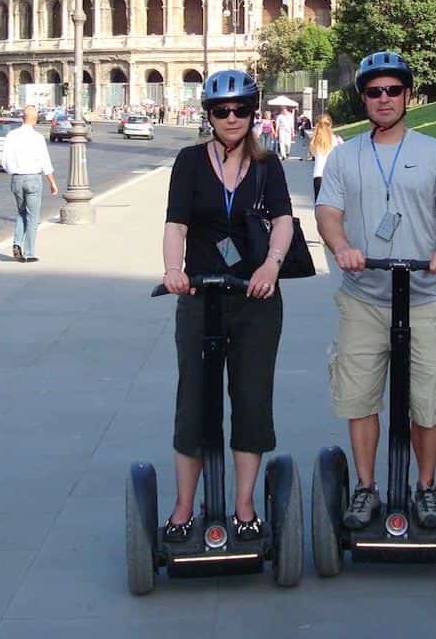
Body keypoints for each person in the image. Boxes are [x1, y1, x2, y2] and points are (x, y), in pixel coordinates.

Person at [314, 50, 436, 531]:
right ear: (363, 98)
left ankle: (425, 487)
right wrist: (341, 247)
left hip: (421, 294)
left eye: (393, 91)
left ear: (408, 96)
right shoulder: (345, 156)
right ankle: (365, 487)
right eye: (374, 91)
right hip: (363, 295)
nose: (383, 99)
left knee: (427, 399)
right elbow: (327, 213)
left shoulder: (435, 153)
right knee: (359, 397)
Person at [162, 69, 294, 543]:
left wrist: (270, 267)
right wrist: (173, 269)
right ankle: (182, 506)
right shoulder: (189, 162)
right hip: (200, 296)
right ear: (209, 115)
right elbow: (176, 224)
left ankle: (243, 504)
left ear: (252, 113)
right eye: (222, 111)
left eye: (241, 110)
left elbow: (283, 221)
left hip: (255, 299)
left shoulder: (267, 165)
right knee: (194, 401)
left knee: (252, 399)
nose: (232, 118)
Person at [1, 104, 59, 263]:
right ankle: (28, 252)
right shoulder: (38, 138)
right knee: (33, 217)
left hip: (17, 178)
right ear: (35, 120)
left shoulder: (11, 135)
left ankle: (16, 243)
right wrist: (52, 183)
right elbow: (45, 163)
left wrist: (14, 172)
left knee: (21, 212)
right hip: (33, 178)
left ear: (22, 118)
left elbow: (5, 162)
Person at [309, 114, 343, 200]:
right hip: (334, 177)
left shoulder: (315, 141)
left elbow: (312, 153)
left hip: (318, 175)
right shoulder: (336, 140)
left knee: (319, 204)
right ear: (330, 125)